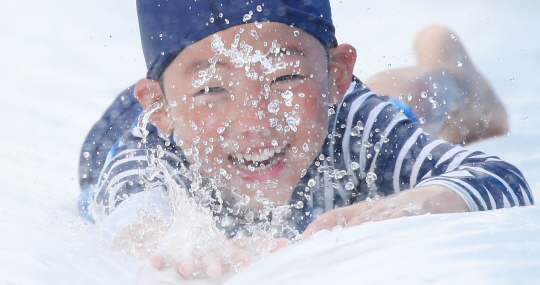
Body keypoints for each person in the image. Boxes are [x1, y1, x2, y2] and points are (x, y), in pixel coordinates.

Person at [78, 0, 533, 279]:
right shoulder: (153, 147)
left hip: (334, 110)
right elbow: (130, 218)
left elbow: (501, 179)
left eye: (285, 76)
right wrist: (184, 247)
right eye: (212, 89)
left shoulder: (346, 118)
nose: (256, 122)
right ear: (159, 106)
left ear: (335, 75)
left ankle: (448, 70)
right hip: (131, 119)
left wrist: (412, 203)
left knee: (390, 105)